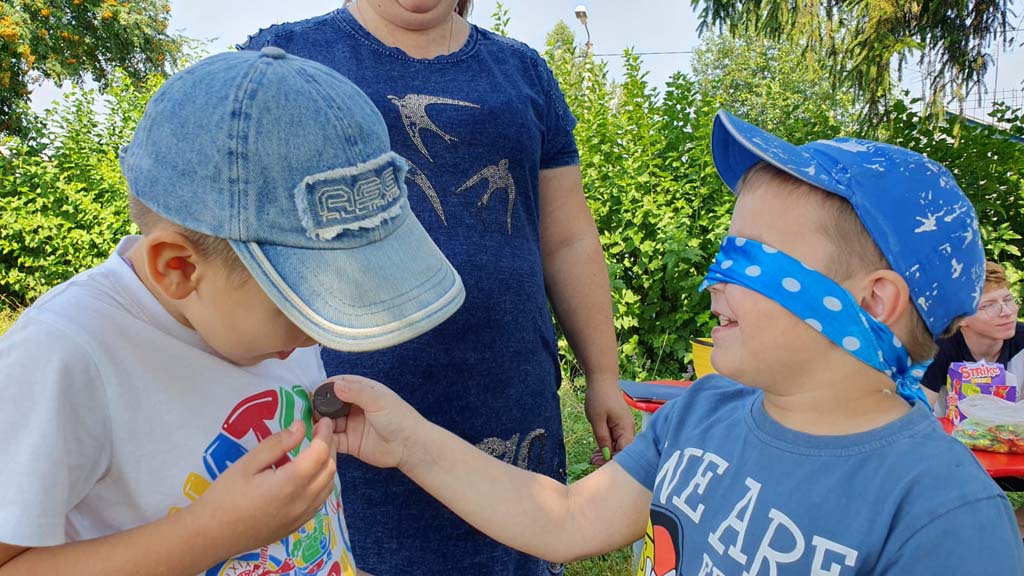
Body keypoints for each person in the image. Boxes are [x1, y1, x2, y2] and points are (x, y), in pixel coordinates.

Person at [321, 110, 1024, 574]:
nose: (715, 278)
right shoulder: (702, 414)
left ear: (871, 302)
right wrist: (408, 441)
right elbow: (565, 519)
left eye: (751, 257)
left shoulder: (942, 514)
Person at [0, 48, 464, 575]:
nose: (318, 336)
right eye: (297, 305)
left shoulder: (250, 321)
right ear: (178, 267)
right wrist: (209, 534)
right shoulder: (62, 355)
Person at [239, 2, 633, 574]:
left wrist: (602, 376)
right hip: (346, 411)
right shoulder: (282, 57)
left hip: (509, 400)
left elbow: (568, 240)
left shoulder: (523, 72)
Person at [921, 260, 1024, 409]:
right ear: (960, 318)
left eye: (1008, 300)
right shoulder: (937, 349)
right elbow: (919, 412)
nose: (1007, 312)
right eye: (989, 306)